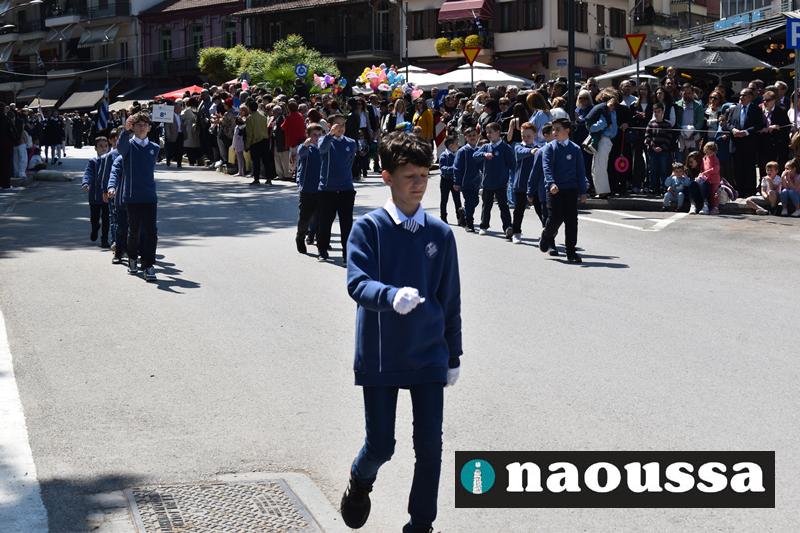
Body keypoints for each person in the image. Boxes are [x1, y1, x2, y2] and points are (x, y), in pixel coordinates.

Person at [340, 131, 462, 533]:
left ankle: (420, 525)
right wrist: (389, 296)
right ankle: (360, 480)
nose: (419, 184)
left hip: (428, 354)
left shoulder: (440, 234)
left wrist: (453, 355)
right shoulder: (369, 229)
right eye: (410, 176)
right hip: (382, 354)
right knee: (381, 446)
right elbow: (357, 283)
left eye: (424, 175)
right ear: (387, 177)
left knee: (430, 448)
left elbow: (450, 298)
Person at [107, 112, 160, 282]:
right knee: (134, 232)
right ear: (134, 127)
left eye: (145, 124)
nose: (142, 127)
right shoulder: (128, 147)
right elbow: (121, 148)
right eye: (139, 124)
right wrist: (126, 130)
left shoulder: (155, 148)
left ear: (149, 128)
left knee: (151, 232)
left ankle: (148, 265)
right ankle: (132, 258)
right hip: (132, 196)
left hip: (149, 196)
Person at [538, 118, 588, 264]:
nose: (554, 132)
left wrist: (583, 191)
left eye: (558, 129)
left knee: (571, 221)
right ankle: (547, 235)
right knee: (554, 218)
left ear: (567, 130)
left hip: (571, 190)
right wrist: (551, 184)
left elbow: (580, 171)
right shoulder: (550, 148)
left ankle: (571, 252)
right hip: (555, 190)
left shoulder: (575, 149)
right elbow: (547, 168)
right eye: (553, 129)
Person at [316, 114, 356, 262]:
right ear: (329, 126)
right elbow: (322, 149)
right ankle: (322, 250)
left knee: (347, 224)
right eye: (337, 125)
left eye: (343, 124)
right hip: (327, 189)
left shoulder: (351, 142)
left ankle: (347, 254)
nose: (341, 128)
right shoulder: (324, 140)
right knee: (325, 222)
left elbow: (350, 162)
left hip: (346, 188)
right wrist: (330, 135)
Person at [472, 123, 515, 239]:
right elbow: (475, 155)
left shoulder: (505, 148)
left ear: (498, 132)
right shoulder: (486, 147)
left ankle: (507, 227)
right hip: (488, 182)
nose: (488, 134)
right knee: (486, 205)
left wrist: (509, 177)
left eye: (491, 132)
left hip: (501, 183)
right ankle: (484, 226)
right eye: (487, 132)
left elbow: (512, 164)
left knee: (503, 206)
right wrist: (484, 154)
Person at [726, 88, 764, 198]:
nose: (741, 97)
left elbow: (759, 124)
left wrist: (746, 132)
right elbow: (728, 124)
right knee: (737, 168)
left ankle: (750, 190)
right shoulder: (734, 109)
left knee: (749, 167)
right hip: (736, 143)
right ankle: (739, 190)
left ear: (750, 97)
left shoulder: (756, 109)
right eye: (740, 95)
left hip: (749, 143)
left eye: (744, 95)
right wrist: (733, 130)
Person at [295, 123, 324, 253]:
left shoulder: (324, 148)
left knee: (321, 217)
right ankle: (300, 237)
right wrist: (306, 144)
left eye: (319, 135)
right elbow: (301, 153)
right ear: (308, 136)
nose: (317, 138)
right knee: (305, 218)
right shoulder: (305, 148)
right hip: (307, 188)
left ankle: (321, 241)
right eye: (314, 135)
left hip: (322, 188)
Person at [585, 89, 618, 198]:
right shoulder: (611, 111)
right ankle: (600, 191)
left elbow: (600, 124)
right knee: (597, 167)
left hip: (603, 139)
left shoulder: (606, 111)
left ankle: (603, 192)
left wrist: (590, 128)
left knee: (599, 167)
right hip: (604, 140)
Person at [509, 122, 538, 244]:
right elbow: (520, 153)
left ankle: (548, 231)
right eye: (523, 135)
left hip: (535, 185)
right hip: (521, 184)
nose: (525, 138)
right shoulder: (517, 146)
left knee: (541, 210)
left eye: (528, 136)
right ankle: (516, 232)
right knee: (519, 210)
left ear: (534, 135)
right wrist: (532, 151)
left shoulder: (539, 148)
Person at [81, 136, 111, 248]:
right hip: (94, 195)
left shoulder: (111, 160)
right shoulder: (93, 161)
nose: (104, 148)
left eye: (106, 146)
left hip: (107, 195)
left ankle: (104, 239)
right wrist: (86, 183)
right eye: (101, 146)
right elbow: (88, 173)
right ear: (95, 148)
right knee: (94, 218)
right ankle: (95, 228)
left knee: (106, 218)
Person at [527, 123, 555, 238]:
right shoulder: (541, 152)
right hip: (544, 192)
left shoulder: (563, 149)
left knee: (556, 219)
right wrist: (530, 192)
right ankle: (548, 242)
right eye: (553, 131)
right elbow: (534, 173)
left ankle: (548, 235)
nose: (556, 134)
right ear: (546, 135)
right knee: (547, 218)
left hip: (561, 191)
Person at [452, 128, 482, 233]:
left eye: (474, 135)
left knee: (475, 201)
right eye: (469, 136)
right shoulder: (462, 151)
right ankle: (469, 223)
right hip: (465, 182)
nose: (472, 137)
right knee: (469, 202)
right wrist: (457, 182)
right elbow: (457, 167)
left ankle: (464, 211)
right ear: (466, 138)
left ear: (477, 136)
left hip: (476, 182)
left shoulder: (479, 150)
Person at [644, 103, 676, 195]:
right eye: (655, 112)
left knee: (663, 170)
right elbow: (647, 137)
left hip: (664, 152)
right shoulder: (651, 123)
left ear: (663, 112)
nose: (657, 113)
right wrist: (653, 147)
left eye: (659, 111)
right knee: (653, 170)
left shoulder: (667, 124)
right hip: (652, 151)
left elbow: (669, 138)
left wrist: (662, 148)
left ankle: (664, 188)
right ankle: (653, 188)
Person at [758, 90, 790, 173]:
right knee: (763, 167)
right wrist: (762, 129)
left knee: (776, 167)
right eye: (764, 100)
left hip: (777, 145)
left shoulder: (781, 111)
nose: (765, 102)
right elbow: (755, 125)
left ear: (774, 100)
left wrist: (778, 127)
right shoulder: (759, 111)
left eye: (768, 100)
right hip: (763, 144)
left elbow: (787, 127)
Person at [437, 136, 464, 226]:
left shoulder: (457, 154)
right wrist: (454, 169)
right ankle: (443, 217)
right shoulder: (444, 155)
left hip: (455, 180)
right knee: (444, 200)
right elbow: (443, 168)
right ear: (451, 145)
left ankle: (460, 218)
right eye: (456, 143)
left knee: (457, 200)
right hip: (445, 180)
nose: (458, 145)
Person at [688, 143, 721, 216]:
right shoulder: (704, 158)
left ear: (714, 151)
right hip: (706, 179)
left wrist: (706, 172)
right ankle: (706, 206)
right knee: (706, 192)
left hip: (714, 180)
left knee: (714, 194)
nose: (709, 152)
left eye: (711, 151)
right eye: (707, 150)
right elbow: (702, 169)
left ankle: (715, 208)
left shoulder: (715, 158)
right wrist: (700, 175)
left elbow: (716, 169)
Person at [244, 104, 271, 185]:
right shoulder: (263, 116)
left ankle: (256, 179)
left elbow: (249, 133)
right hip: (265, 140)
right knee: (266, 161)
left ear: (249, 108)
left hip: (255, 142)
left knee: (256, 162)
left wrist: (247, 145)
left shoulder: (249, 118)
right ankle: (269, 178)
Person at [164, 100, 184, 168]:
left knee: (180, 149)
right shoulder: (170, 115)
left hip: (180, 134)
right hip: (172, 135)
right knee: (170, 149)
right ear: (176, 108)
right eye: (180, 108)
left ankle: (179, 163)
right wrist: (168, 135)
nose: (181, 109)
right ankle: (168, 161)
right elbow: (167, 126)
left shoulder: (181, 116)